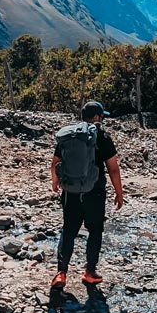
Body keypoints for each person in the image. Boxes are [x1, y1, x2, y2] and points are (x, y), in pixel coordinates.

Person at [50, 101, 124, 288]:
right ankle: (90, 272)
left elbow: (55, 162)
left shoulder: (69, 135)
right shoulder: (102, 136)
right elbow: (113, 169)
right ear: (98, 117)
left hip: (71, 192)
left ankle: (61, 273)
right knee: (95, 231)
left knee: (68, 230)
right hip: (95, 192)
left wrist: (56, 182)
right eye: (102, 116)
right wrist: (119, 192)